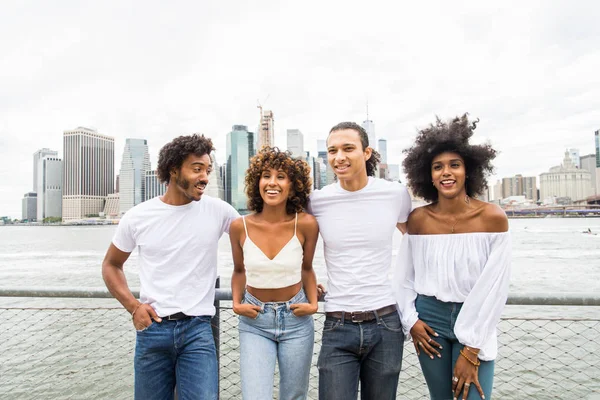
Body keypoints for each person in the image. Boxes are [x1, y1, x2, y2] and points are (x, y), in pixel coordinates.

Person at [102, 134, 239, 400]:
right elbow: (111, 265)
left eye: (207, 170)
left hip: (198, 330)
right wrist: (134, 307)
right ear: (173, 170)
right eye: (197, 168)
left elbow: (259, 243)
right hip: (152, 330)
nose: (205, 177)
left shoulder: (220, 211)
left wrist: (302, 278)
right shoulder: (138, 217)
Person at [395, 114, 511, 400]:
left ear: (468, 170)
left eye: (454, 165)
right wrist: (410, 321)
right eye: (438, 167)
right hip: (428, 321)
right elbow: (403, 276)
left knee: (472, 397)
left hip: (475, 318)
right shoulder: (418, 220)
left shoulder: (493, 218)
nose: (446, 172)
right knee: (441, 398)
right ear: (428, 175)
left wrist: (471, 348)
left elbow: (495, 287)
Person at [308, 122, 412, 400]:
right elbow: (292, 243)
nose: (338, 157)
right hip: (337, 323)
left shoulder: (395, 194)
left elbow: (417, 242)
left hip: (387, 324)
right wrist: (305, 282)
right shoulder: (317, 201)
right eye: (332, 150)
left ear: (366, 153)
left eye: (347, 148)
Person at [230, 147, 319, 400]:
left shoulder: (306, 224)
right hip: (254, 320)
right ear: (256, 181)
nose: (272, 182)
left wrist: (313, 304)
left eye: (281, 176)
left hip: (296, 320)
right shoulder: (239, 226)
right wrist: (237, 304)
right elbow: (238, 272)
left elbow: (307, 269)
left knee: (294, 396)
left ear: (293, 185)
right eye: (266, 175)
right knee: (255, 395)